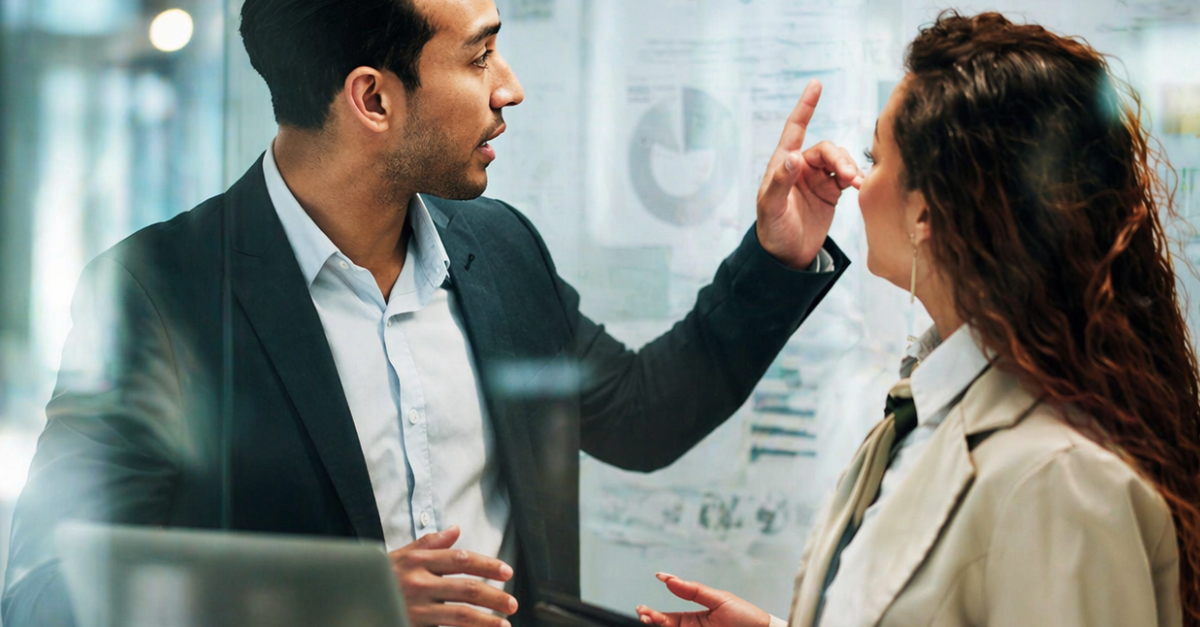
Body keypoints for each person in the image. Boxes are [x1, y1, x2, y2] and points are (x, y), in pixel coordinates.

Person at [1, 1, 866, 626]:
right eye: (480, 57)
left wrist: (778, 255)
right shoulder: (160, 293)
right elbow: (45, 589)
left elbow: (642, 414)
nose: (509, 88)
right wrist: (343, 602)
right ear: (373, 99)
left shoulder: (501, 250)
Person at [635, 11, 1200, 627]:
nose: (856, 183)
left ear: (927, 214)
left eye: (876, 157)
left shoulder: (1060, 479)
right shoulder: (929, 410)